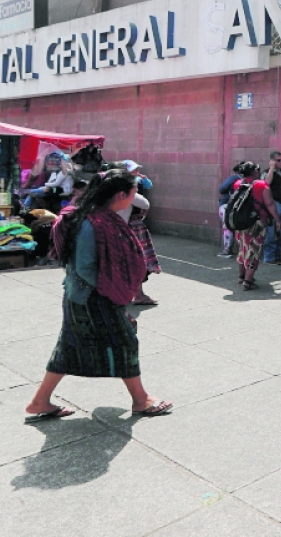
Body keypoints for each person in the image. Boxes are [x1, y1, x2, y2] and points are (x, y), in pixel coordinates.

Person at [25, 170, 172, 421]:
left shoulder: (100, 217)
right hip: (92, 297)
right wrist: (113, 291)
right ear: (121, 194)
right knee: (125, 342)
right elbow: (85, 267)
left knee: (69, 348)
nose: (135, 197)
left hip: (81, 296)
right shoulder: (92, 222)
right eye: (134, 192)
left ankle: (40, 401)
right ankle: (140, 399)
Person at [106, 161, 160, 305]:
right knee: (136, 262)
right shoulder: (125, 189)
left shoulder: (101, 188)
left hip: (108, 229)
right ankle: (138, 295)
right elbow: (145, 204)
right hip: (126, 229)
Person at [233, 161, 281, 289]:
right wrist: (277, 220)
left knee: (243, 248)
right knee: (254, 250)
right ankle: (248, 282)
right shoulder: (261, 185)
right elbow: (270, 204)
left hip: (241, 222)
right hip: (257, 223)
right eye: (258, 170)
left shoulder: (238, 184)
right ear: (255, 172)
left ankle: (241, 276)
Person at [262, 151, 281, 264]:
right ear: (273, 161)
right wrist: (271, 168)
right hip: (273, 206)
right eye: (278, 160)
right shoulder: (267, 173)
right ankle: (269, 257)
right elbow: (266, 183)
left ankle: (277, 254)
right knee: (270, 234)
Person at [218, 163, 243, 257]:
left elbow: (222, 189)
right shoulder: (251, 180)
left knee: (227, 228)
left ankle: (227, 250)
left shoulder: (234, 178)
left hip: (227, 205)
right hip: (241, 206)